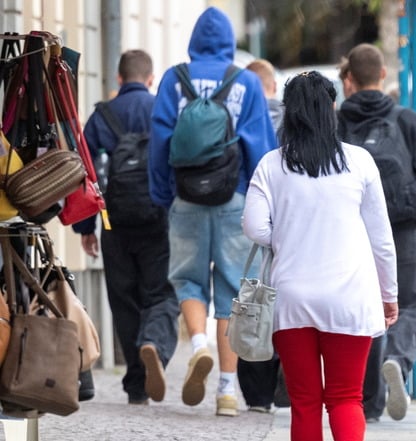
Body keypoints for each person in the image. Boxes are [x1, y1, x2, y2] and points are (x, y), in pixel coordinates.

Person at [242, 70, 399, 441]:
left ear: (289, 113)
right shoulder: (359, 162)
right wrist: (388, 296)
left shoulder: (271, 165)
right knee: (346, 398)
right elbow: (382, 240)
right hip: (350, 298)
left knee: (305, 402)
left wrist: (286, 234)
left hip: (292, 299)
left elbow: (253, 227)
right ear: (332, 109)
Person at [148, 7, 278, 417]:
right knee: (232, 292)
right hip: (233, 198)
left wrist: (163, 194)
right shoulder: (247, 82)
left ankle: (198, 345)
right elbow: (262, 147)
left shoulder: (173, 79)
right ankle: (225, 392)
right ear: (227, 41)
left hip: (185, 196)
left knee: (186, 280)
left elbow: (158, 142)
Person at [337, 43, 416, 422]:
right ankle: (397, 361)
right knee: (408, 303)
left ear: (349, 79)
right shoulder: (407, 120)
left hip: (355, 231)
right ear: (382, 76)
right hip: (403, 226)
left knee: (367, 309)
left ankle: (370, 401)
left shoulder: (338, 122)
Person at [72, 49, 179, 406]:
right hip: (157, 218)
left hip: (113, 222)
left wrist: (86, 227)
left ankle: (136, 386)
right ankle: (154, 345)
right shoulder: (162, 110)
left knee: (124, 301)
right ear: (151, 79)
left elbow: (83, 173)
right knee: (160, 293)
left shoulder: (102, 115)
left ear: (118, 79)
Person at [235, 58, 285, 414]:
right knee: (285, 310)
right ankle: (284, 386)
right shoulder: (293, 119)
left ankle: (255, 394)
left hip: (250, 222)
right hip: (295, 233)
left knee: (253, 302)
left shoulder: (238, 115)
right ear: (273, 86)